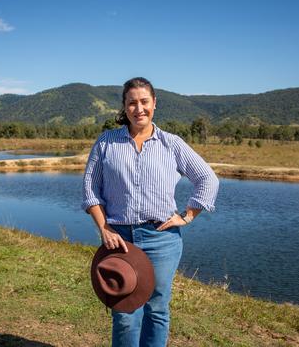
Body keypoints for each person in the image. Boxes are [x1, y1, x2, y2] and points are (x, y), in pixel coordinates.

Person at [83, 77, 219, 346]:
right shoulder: (107, 142)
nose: (139, 108)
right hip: (119, 240)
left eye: (144, 101)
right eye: (132, 103)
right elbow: (90, 190)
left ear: (154, 104)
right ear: (124, 106)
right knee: (124, 312)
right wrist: (104, 228)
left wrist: (187, 216)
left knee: (157, 309)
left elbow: (208, 179)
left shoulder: (171, 143)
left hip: (161, 239)